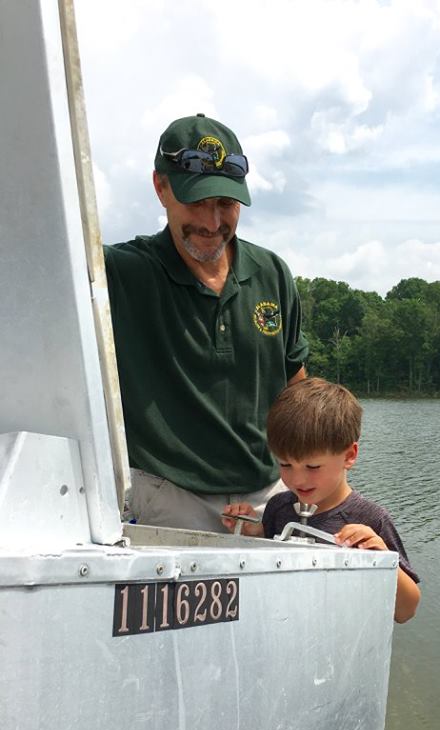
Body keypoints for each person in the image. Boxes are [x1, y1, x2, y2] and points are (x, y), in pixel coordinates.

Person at [104, 113, 308, 532]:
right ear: (161, 187)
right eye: (196, 202)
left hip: (268, 496)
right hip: (168, 497)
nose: (212, 223)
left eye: (226, 205)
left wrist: (317, 489)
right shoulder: (119, 273)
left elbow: (297, 389)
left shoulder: (272, 273)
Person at [222, 378, 421, 623]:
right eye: (285, 464)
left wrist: (381, 558)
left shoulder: (371, 520)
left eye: (313, 466)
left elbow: (406, 612)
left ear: (349, 456)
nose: (298, 479)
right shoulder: (278, 507)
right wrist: (254, 533)